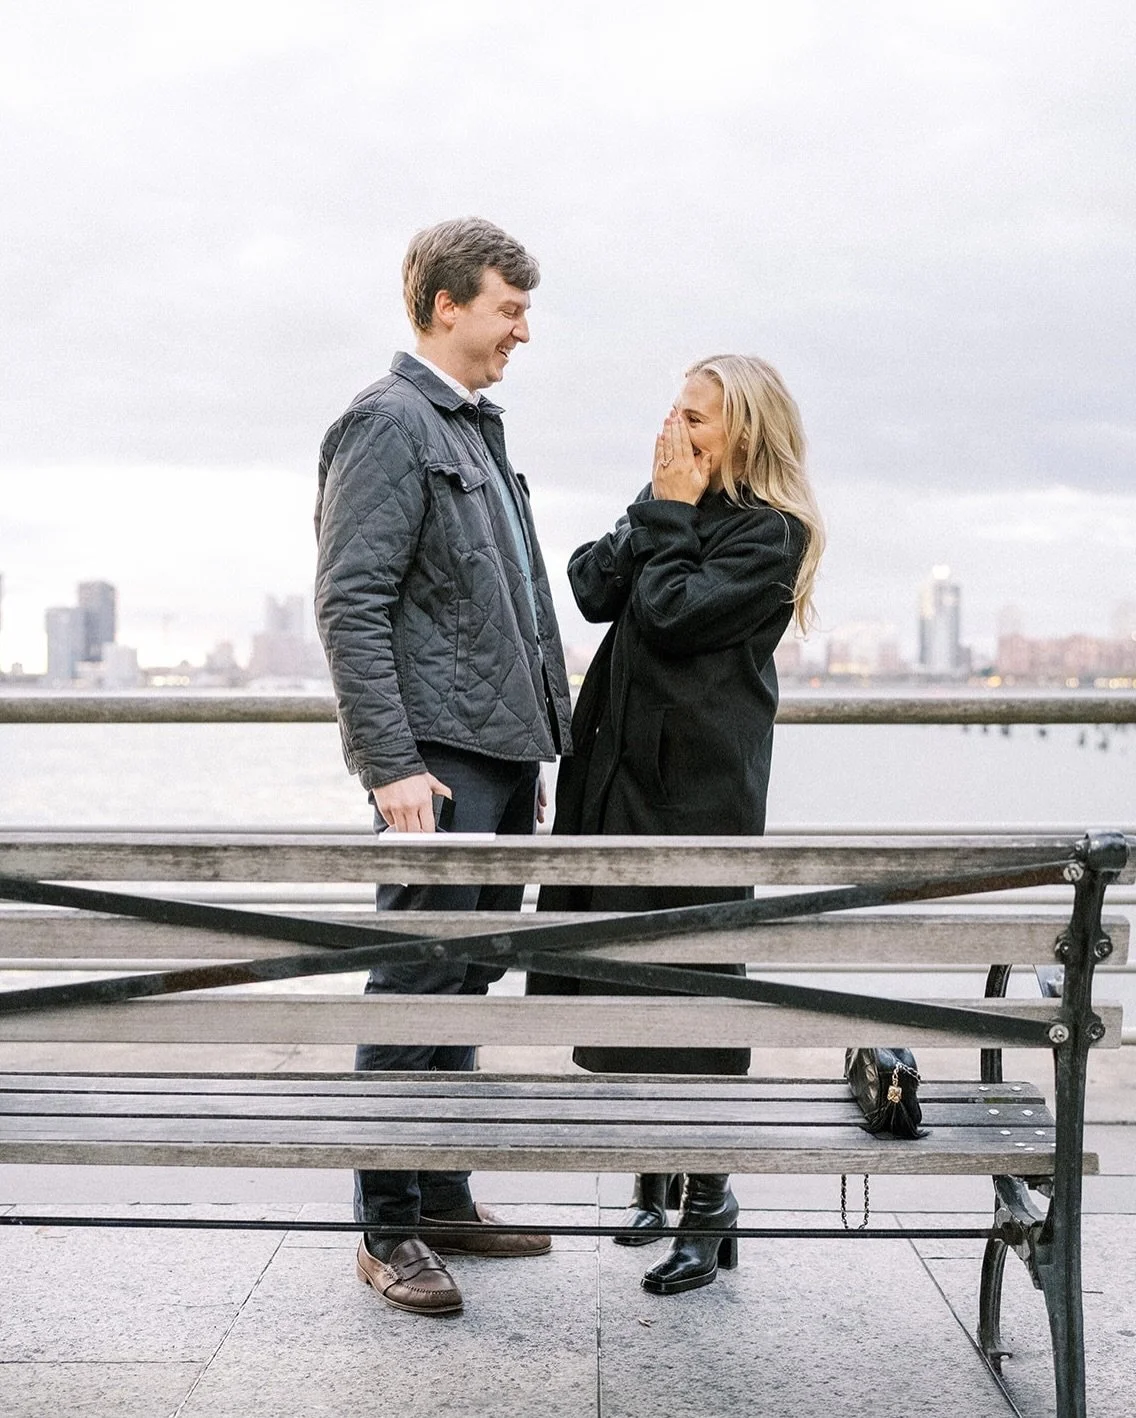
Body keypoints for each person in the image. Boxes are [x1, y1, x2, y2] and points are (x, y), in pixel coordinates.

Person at [314, 217, 573, 1317]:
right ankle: (386, 1230)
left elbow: (499, 609)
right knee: (416, 976)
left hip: (501, 761)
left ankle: (440, 1192)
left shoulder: (472, 426)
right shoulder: (387, 423)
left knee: (467, 977)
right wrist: (391, 764)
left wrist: (530, 749)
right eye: (507, 306)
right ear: (443, 306)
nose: (522, 327)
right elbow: (350, 602)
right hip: (435, 768)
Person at [530, 353, 824, 1296]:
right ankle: (658, 1168)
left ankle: (712, 1201)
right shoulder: (671, 500)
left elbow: (671, 610)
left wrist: (664, 516)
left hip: (699, 795)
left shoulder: (772, 537)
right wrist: (658, 511)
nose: (675, 432)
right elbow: (589, 585)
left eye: (696, 418)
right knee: (617, 983)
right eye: (673, 410)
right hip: (617, 780)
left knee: (696, 995)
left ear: (743, 429)